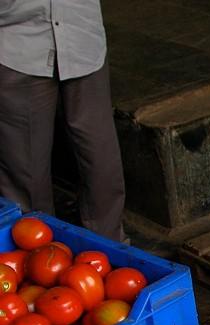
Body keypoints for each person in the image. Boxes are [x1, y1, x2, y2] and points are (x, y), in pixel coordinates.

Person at [0, 0, 125, 241]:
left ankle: (44, 254)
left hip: (53, 37)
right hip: (28, 41)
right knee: (28, 172)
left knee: (97, 155)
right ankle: (42, 256)